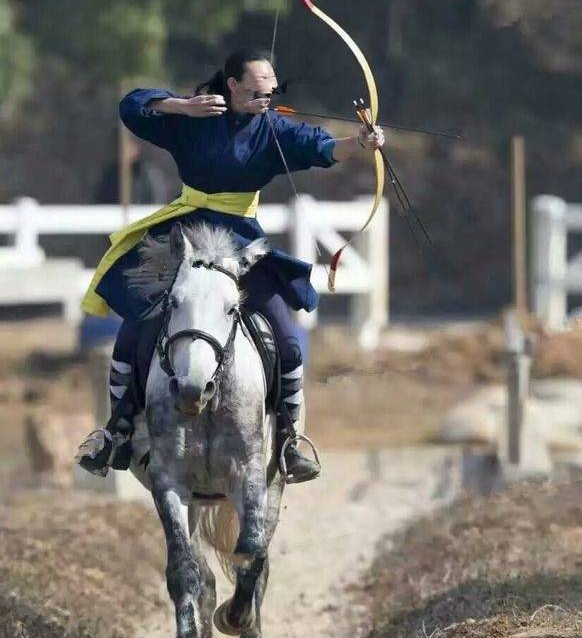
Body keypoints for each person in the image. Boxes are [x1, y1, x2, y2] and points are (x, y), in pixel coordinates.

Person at [76, 47, 384, 483]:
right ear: (233, 85)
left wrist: (360, 143)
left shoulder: (272, 128)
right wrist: (181, 105)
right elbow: (132, 106)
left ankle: (291, 439)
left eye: (272, 92)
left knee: (288, 338)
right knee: (134, 328)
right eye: (258, 91)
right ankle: (117, 432)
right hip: (184, 237)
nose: (266, 99)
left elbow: (321, 147)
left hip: (241, 241)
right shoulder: (192, 119)